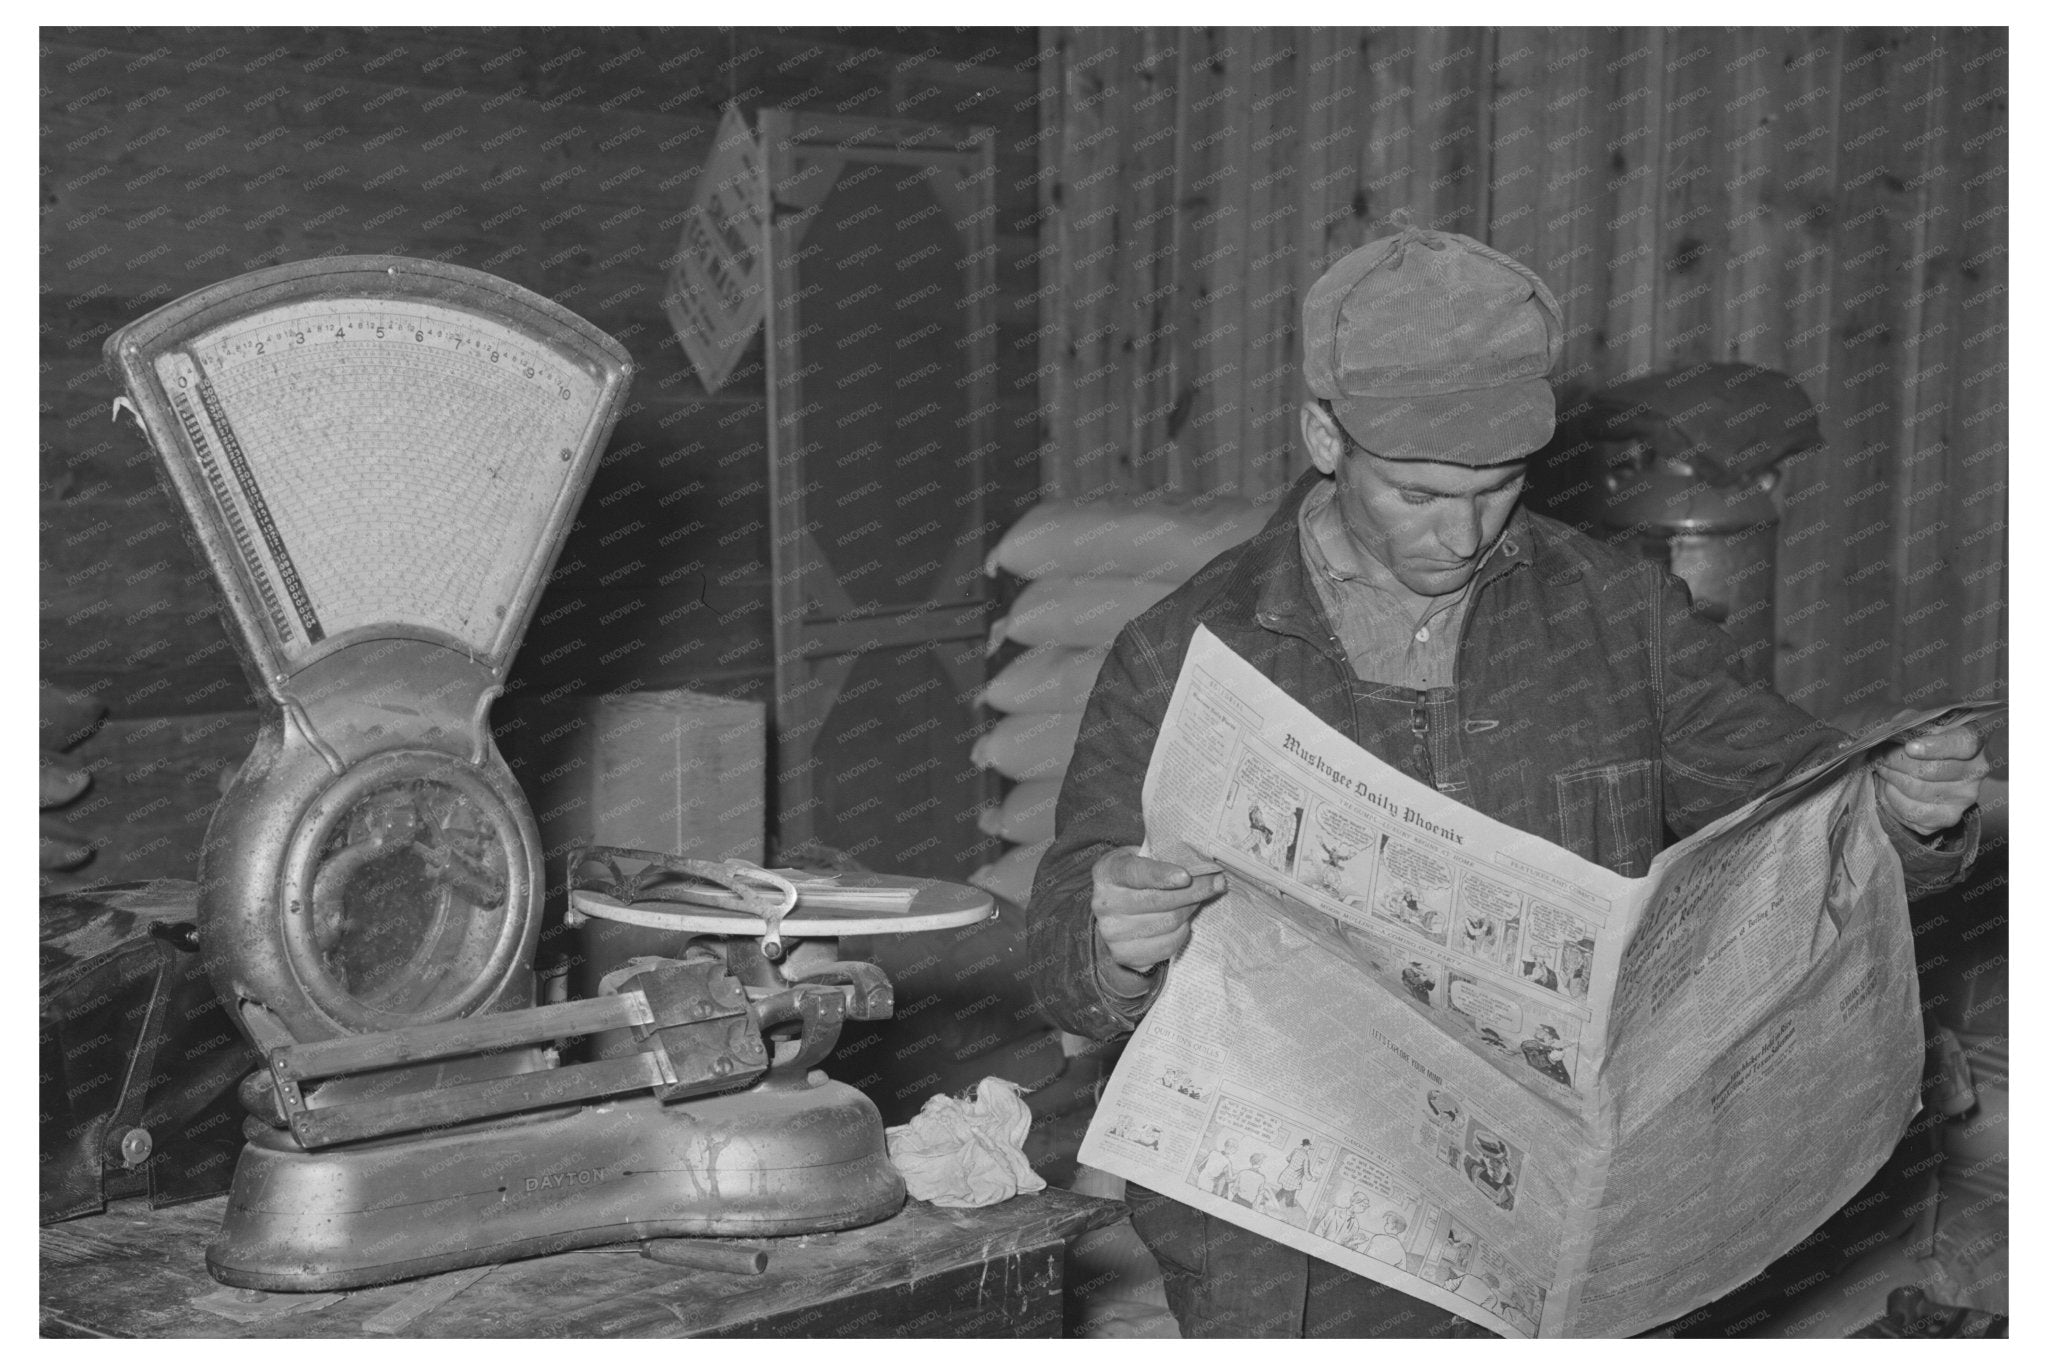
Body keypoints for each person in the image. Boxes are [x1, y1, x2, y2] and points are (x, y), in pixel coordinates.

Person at [1024, 225, 1989, 1339]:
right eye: (1419, 493)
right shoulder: (1186, 647)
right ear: (1322, 437)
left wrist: (1906, 814)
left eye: (1496, 488)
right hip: (1297, 1243)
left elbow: (1798, 813)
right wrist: (1112, 933)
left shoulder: (1616, 614)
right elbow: (1061, 949)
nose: (1461, 530)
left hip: (1564, 1218)